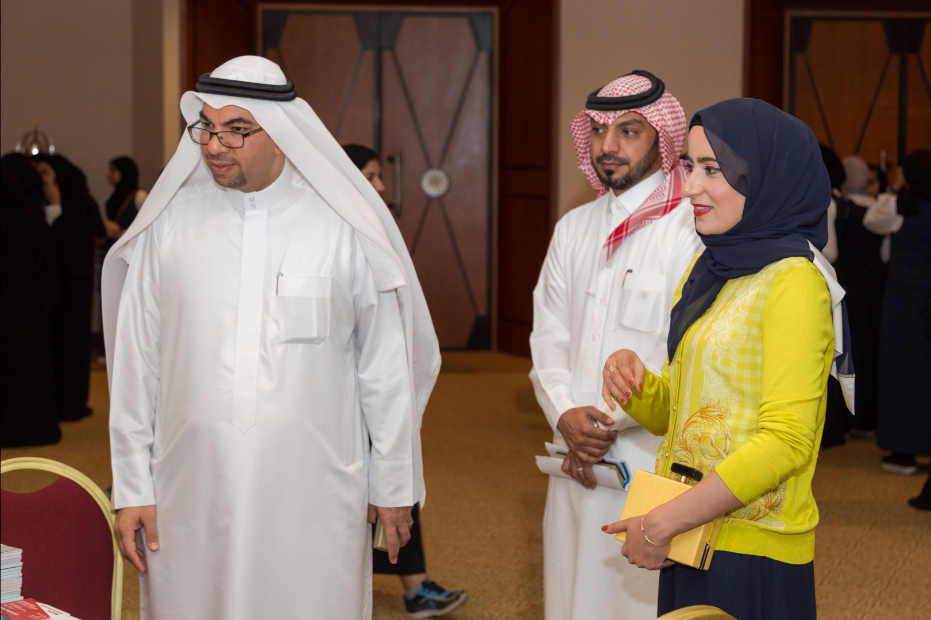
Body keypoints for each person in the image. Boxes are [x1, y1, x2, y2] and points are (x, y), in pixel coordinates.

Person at [105, 56, 440, 618]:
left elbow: (384, 368)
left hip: (315, 490)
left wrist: (393, 483)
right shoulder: (169, 226)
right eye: (207, 127)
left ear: (283, 134)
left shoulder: (343, 227)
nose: (216, 145)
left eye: (237, 129)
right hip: (189, 486)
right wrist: (132, 485)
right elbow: (137, 363)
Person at [601, 98, 854, 620]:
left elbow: (786, 441)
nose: (689, 186)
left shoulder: (793, 282)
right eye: (689, 166)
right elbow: (681, 412)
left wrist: (662, 523)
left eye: (712, 169)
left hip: (749, 547)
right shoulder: (713, 269)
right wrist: (636, 383)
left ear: (765, 177)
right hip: (689, 530)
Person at [529, 71, 703, 620]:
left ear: (662, 138)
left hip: (648, 452)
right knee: (570, 592)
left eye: (628, 131)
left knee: (638, 598)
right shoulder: (573, 228)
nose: (608, 145)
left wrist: (605, 424)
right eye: (599, 131)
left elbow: (686, 349)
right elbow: (548, 335)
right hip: (574, 453)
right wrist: (565, 415)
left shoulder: (691, 228)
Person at [343, 143, 468, 617]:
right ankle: (414, 588)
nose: (381, 186)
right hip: (346, 391)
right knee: (383, 484)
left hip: (378, 381)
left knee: (394, 481)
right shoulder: (336, 231)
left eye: (380, 175)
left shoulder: (374, 225)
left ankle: (416, 587)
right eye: (370, 176)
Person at [864, 150, 931, 477]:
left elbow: (870, 221)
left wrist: (894, 187)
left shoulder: (900, 206)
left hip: (904, 300)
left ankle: (903, 451)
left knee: (901, 373)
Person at [33, 154, 106, 421]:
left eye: (45, 172)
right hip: (54, 288)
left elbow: (68, 244)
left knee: (72, 346)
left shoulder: (78, 202)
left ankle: (72, 404)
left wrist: (55, 208)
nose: (42, 178)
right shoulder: (40, 201)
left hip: (74, 288)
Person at [824, 148, 886, 439]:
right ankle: (865, 419)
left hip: (847, 287)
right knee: (868, 353)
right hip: (874, 288)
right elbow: (885, 254)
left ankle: (845, 422)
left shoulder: (839, 205)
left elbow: (832, 251)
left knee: (844, 354)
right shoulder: (879, 209)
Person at [0, 153, 61, 447]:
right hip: (31, 308)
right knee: (33, 371)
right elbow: (49, 264)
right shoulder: (32, 215)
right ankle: (37, 430)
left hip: (6, 308)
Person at [103, 156, 145, 247]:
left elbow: (147, 225)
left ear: (125, 172)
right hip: (113, 246)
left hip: (132, 247)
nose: (108, 174)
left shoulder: (140, 195)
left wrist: (125, 234)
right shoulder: (111, 196)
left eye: (113, 170)